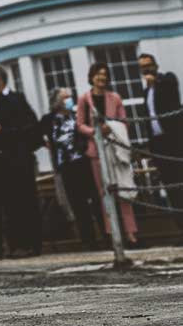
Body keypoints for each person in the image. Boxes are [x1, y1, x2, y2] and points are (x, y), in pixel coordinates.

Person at [0, 67, 42, 259]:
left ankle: (23, 244)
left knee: (18, 203)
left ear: (0, 86)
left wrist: (2, 131)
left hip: (15, 158)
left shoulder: (14, 101)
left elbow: (28, 128)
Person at [77, 63, 141, 248]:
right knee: (104, 192)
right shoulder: (84, 99)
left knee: (123, 189)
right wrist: (95, 131)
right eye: (98, 75)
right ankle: (112, 234)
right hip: (96, 151)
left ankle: (131, 234)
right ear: (92, 77)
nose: (101, 78)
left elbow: (124, 121)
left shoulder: (115, 97)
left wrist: (113, 129)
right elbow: (80, 124)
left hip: (115, 147)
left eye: (104, 75)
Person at [41, 87, 104, 250]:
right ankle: (88, 240)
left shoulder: (77, 115)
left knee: (95, 199)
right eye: (65, 97)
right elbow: (36, 134)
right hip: (66, 165)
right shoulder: (49, 119)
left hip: (83, 161)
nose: (69, 100)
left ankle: (106, 235)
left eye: (70, 97)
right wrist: (45, 142)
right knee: (78, 203)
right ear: (57, 101)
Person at [138, 51, 183, 233]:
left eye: (148, 65)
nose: (146, 69)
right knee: (171, 189)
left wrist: (155, 81)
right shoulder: (146, 91)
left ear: (155, 65)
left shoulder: (167, 79)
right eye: (142, 67)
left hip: (175, 142)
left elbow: (172, 92)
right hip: (159, 144)